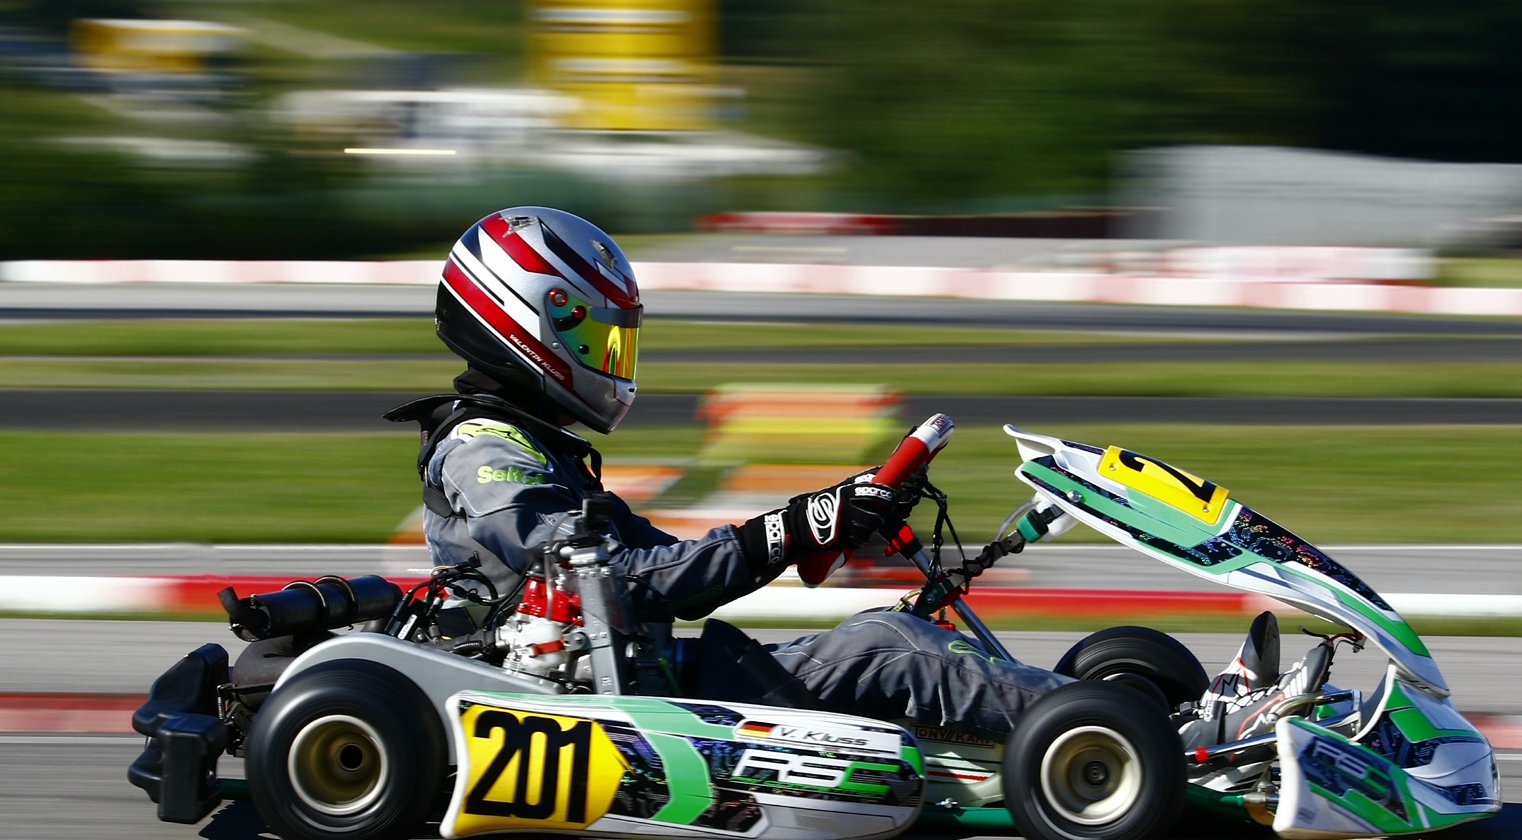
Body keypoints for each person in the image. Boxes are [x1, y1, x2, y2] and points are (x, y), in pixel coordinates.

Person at [387, 207, 1066, 740]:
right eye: (594, 339)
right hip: (590, 708)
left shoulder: (541, 448)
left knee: (884, 632)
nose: (610, 359)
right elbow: (618, 580)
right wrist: (797, 525)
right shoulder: (484, 450)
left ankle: (1111, 709)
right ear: (524, 321)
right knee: (893, 652)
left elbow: (664, 569)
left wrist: (818, 520)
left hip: (637, 679)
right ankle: (1104, 731)